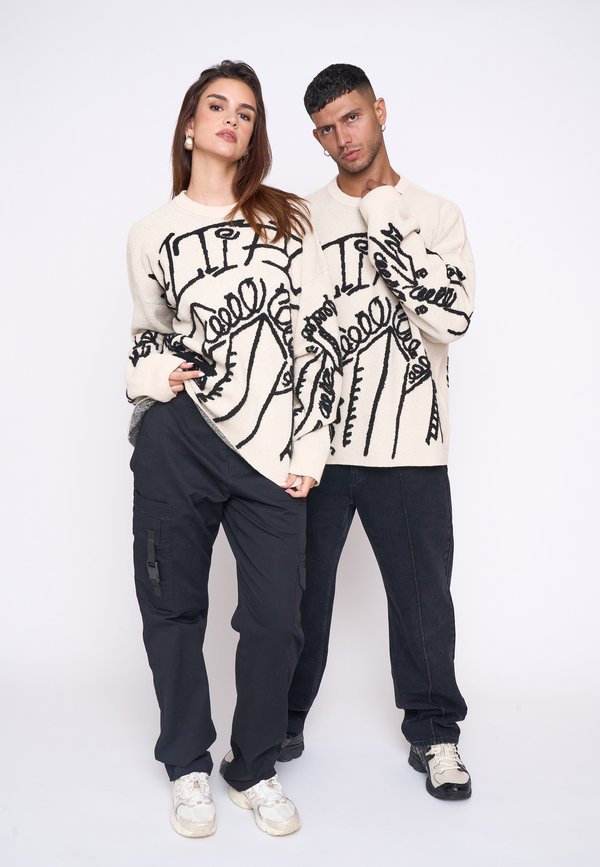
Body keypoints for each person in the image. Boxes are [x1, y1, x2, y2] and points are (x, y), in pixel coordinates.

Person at [125, 59, 340, 838]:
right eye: (216, 107)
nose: (230, 120)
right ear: (190, 126)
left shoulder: (288, 219)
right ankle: (187, 762)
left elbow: (318, 341)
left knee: (278, 618)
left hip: (270, 449)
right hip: (178, 438)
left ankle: (252, 766)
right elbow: (145, 338)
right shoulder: (152, 232)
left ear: (254, 136)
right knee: (174, 607)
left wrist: (310, 446)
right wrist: (156, 374)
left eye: (245, 113)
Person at [280, 63, 475, 801]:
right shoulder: (301, 217)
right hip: (319, 448)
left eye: (353, 118)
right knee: (297, 598)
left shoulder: (435, 213)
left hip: (412, 448)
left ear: (380, 110)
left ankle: (436, 734)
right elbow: (290, 337)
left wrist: (385, 214)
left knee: (423, 602)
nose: (343, 138)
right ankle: (279, 721)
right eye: (327, 129)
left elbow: (451, 319)